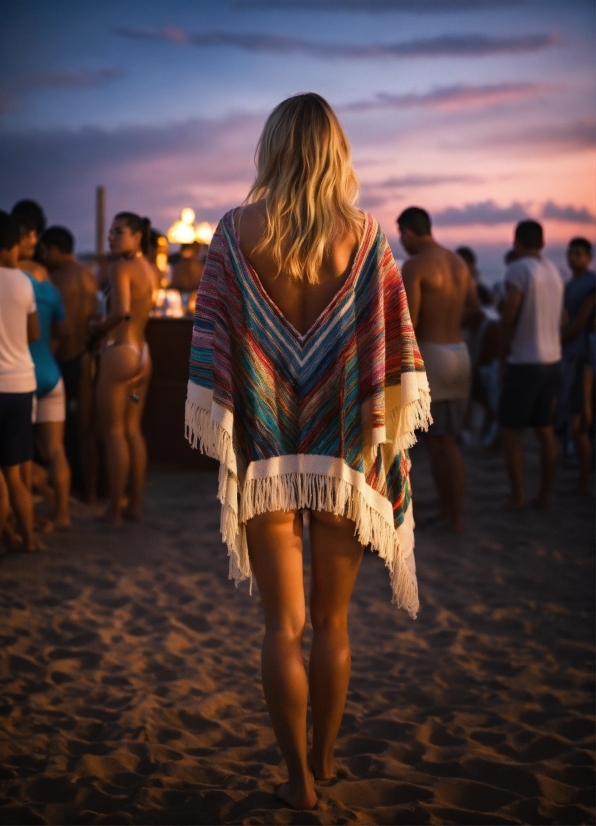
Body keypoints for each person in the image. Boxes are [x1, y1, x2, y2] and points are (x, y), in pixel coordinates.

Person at [185, 93, 431, 810]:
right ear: (335, 150)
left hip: (266, 449)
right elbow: (394, 349)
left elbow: (213, 343)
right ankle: (324, 758)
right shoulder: (363, 236)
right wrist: (379, 440)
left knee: (280, 627)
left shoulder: (234, 233)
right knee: (333, 625)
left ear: (272, 148)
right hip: (344, 453)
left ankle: (295, 781)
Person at [398, 207, 478, 533]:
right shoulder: (459, 263)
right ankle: (449, 510)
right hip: (460, 352)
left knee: (440, 444)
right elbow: (474, 308)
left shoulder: (416, 265)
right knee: (449, 439)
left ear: (407, 231)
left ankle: (453, 516)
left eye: (401, 234)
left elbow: (410, 323)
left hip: (433, 356)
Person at [89, 212, 153, 523]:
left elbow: (120, 312)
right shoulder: (148, 268)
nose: (111, 237)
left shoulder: (121, 268)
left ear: (137, 236)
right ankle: (136, 505)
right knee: (132, 431)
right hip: (142, 353)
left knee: (113, 432)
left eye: (119, 232)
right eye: (110, 232)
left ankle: (114, 508)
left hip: (119, 352)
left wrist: (97, 327)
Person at [499, 220, 564, 509]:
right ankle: (545, 495)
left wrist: (501, 355)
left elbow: (509, 315)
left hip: (525, 361)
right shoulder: (555, 271)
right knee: (545, 430)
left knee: (510, 430)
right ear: (542, 242)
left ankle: (518, 496)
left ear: (516, 242)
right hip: (552, 360)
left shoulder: (518, 269)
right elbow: (561, 318)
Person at [15, 216, 72, 530]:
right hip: (51, 371)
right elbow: (63, 331)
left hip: (20, 375)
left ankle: (27, 517)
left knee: (19, 455)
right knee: (56, 449)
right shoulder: (49, 287)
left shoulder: (11, 281)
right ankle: (62, 513)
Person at [39, 226, 99, 501]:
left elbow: (55, 329)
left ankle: (60, 495)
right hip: (86, 355)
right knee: (86, 430)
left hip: (61, 358)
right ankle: (89, 492)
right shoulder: (87, 273)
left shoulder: (53, 280)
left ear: (51, 248)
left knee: (55, 437)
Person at [0, 211, 42, 551]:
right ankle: (26, 539)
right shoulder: (24, 281)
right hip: (21, 384)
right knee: (14, 472)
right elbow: (33, 333)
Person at [560, 237, 595, 494]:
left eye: (579, 254)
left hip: (586, 358)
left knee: (581, 421)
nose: (573, 259)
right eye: (571, 254)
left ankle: (584, 482)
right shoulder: (571, 284)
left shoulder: (591, 285)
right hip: (574, 357)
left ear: (589, 258)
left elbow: (580, 321)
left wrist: (558, 340)